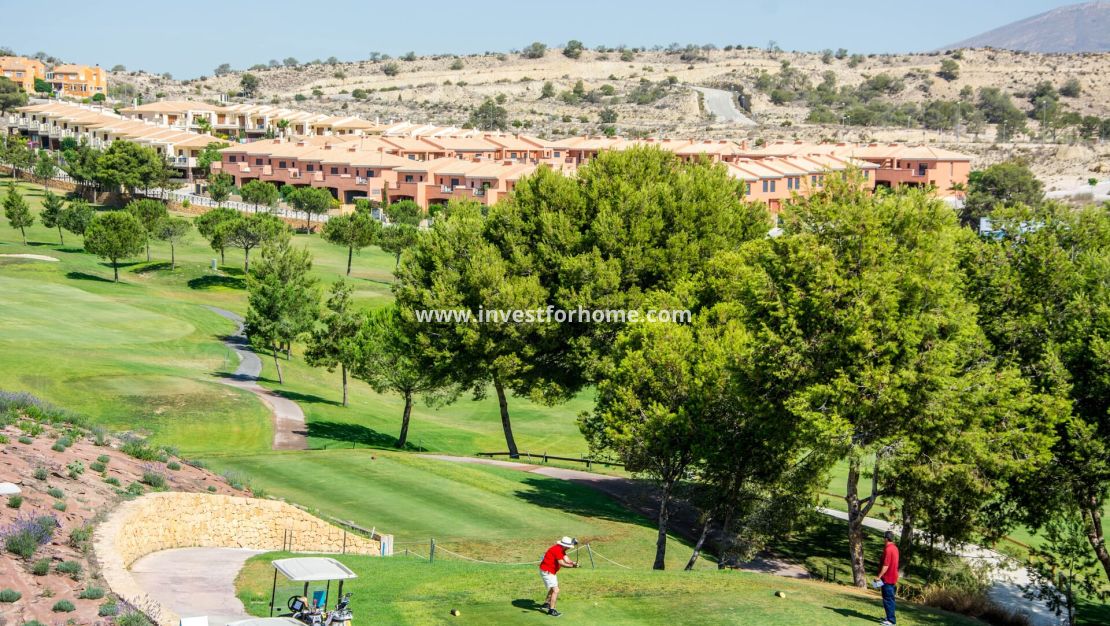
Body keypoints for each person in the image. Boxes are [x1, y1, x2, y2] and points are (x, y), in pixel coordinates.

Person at [538, 536, 578, 617]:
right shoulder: (557, 550)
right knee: (556, 590)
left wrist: (572, 563)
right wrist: (572, 566)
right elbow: (562, 563)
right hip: (547, 571)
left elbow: (566, 559)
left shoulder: (561, 549)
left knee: (553, 588)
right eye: (568, 547)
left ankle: (546, 604)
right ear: (564, 545)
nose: (569, 548)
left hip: (550, 571)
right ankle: (551, 610)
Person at [875, 530, 900, 626]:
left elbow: (886, 565)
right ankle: (888, 617)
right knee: (889, 599)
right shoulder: (895, 548)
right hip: (892, 577)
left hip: (887, 578)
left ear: (886, 538)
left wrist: (879, 576)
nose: (883, 539)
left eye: (883, 538)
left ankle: (891, 621)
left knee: (888, 599)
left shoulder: (888, 549)